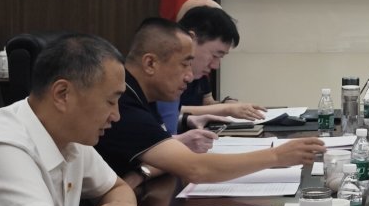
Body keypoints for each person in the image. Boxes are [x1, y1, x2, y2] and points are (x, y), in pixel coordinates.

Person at [0, 34, 161, 206]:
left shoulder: (70, 132)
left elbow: (117, 188)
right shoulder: (3, 145)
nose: (116, 116)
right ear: (62, 94)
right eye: (110, 102)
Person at [96, 18, 326, 182]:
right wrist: (275, 156)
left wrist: (139, 173)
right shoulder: (124, 104)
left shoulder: (142, 95)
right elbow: (196, 169)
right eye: (184, 64)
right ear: (150, 63)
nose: (189, 76)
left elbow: (165, 160)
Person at [172, 4, 267, 129]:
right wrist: (226, 109)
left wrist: (227, 104)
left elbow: (205, 103)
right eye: (215, 55)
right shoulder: (164, 72)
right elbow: (172, 111)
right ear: (192, 39)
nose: (216, 66)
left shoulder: (198, 73)